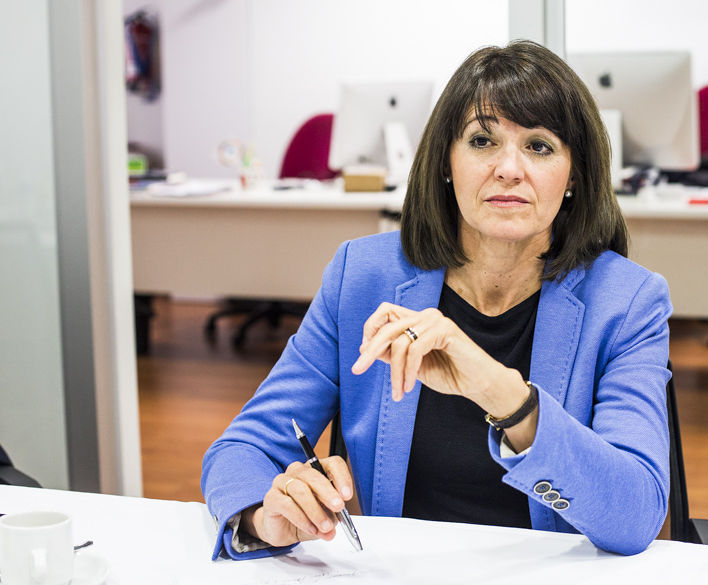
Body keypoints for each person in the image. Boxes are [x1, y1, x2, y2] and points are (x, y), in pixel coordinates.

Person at [201, 40, 673, 560]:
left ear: (574, 175)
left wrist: (502, 395)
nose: (509, 169)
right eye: (482, 141)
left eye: (539, 146)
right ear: (446, 162)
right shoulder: (363, 276)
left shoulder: (627, 301)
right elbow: (242, 447)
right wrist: (264, 517)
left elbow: (635, 515)